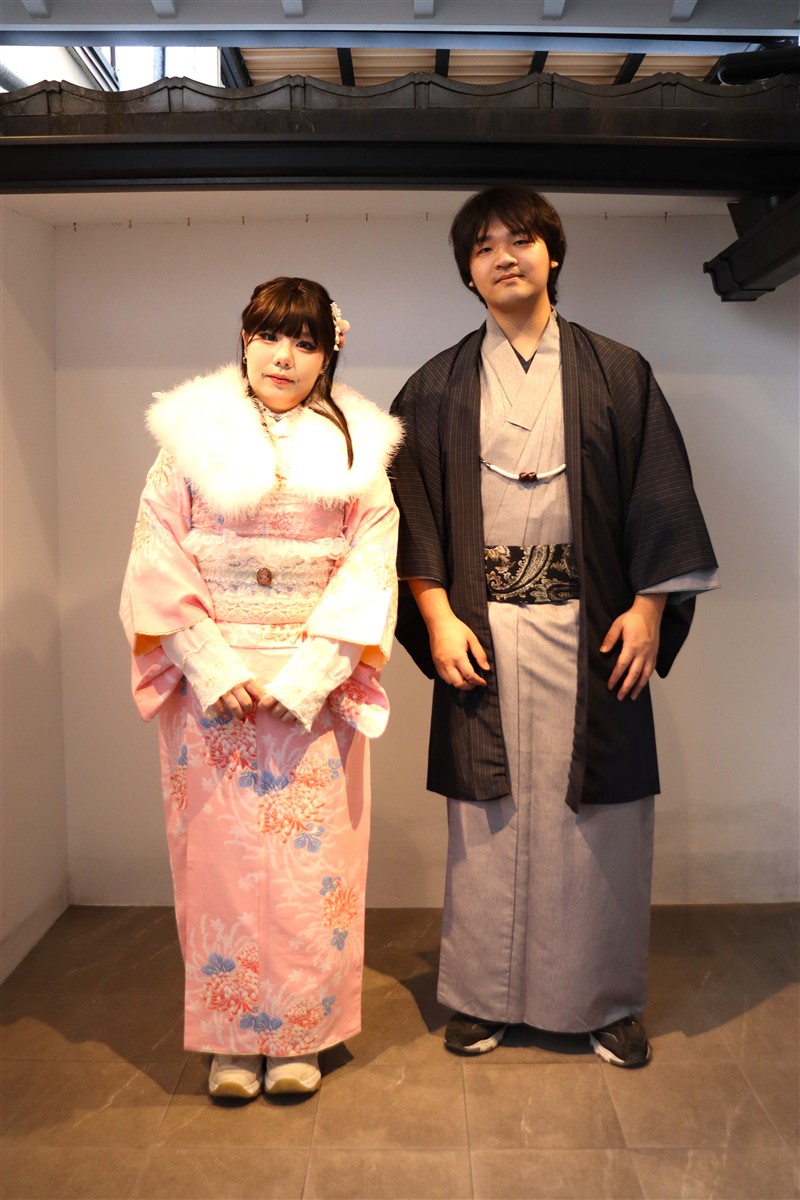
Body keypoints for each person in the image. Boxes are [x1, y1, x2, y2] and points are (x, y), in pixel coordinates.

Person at [389, 187, 718, 1068]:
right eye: (484, 246)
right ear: (468, 273)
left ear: (553, 254)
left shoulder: (619, 372)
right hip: (480, 627)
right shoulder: (434, 386)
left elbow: (660, 494)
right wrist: (435, 614)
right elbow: (408, 512)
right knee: (487, 820)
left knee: (601, 820)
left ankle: (605, 1001)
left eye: (521, 239)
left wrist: (650, 606)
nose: (504, 255)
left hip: (594, 623)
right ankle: (481, 997)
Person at [121, 276, 402, 1099]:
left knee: (314, 871)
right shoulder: (188, 444)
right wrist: (210, 664)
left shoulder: (357, 448)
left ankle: (300, 1035)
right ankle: (234, 1041)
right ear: (244, 341)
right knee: (221, 868)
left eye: (305, 341)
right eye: (269, 336)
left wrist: (315, 671)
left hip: (316, 686)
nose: (284, 356)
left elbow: (373, 561)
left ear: (328, 353)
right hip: (216, 688)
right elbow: (155, 558)